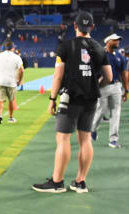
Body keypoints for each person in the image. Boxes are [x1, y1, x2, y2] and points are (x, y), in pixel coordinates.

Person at [32, 11, 111, 194]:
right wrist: (94, 83)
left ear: (75, 26)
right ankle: (80, 182)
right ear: (92, 27)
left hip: (71, 98)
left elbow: (58, 75)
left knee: (63, 138)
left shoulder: (66, 47)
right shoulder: (100, 48)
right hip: (91, 99)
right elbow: (109, 76)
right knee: (85, 139)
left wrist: (52, 99)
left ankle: (57, 182)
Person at [90, 33, 126, 148]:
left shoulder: (119, 56)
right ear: (108, 42)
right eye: (115, 40)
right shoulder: (99, 54)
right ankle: (92, 129)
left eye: (118, 40)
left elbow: (123, 73)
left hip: (116, 86)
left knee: (116, 112)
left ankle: (113, 139)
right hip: (103, 87)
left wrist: (126, 89)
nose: (117, 42)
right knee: (101, 110)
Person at [0, 42, 24, 124]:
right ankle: (10, 118)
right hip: (11, 81)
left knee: (0, 100)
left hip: (0, 80)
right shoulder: (17, 57)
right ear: (13, 48)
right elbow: (21, 69)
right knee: (11, 100)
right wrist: (19, 79)